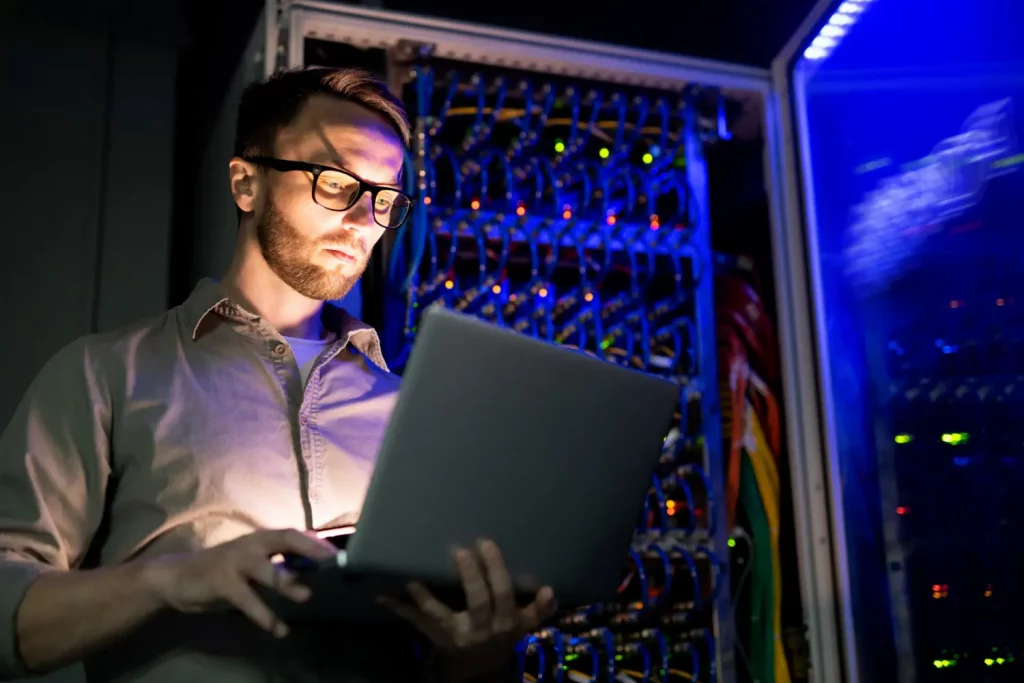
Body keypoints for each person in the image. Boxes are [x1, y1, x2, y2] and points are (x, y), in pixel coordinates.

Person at [0, 67, 556, 683]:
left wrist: (476, 657)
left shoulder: (412, 416)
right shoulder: (106, 375)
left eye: (384, 198)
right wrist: (173, 579)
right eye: (337, 182)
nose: (363, 219)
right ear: (246, 184)